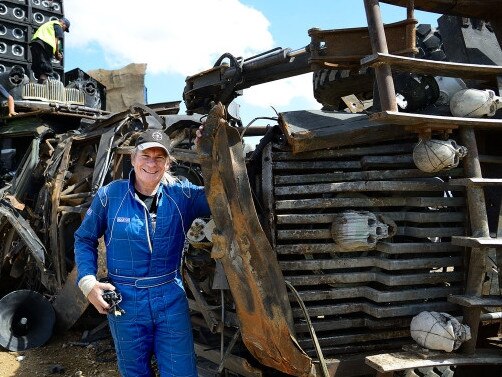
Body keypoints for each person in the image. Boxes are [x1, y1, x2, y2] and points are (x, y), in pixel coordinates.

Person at [74, 128, 211, 376]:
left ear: (168, 162)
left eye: (160, 157)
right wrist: (87, 282)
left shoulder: (183, 194)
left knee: (182, 371)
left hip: (170, 296)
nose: (151, 163)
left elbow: (221, 197)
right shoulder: (110, 196)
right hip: (125, 301)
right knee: (134, 372)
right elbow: (84, 238)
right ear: (133, 158)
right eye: (146, 155)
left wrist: (210, 153)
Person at [30, 17, 70, 84]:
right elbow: (56, 40)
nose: (63, 31)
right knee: (46, 68)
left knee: (38, 69)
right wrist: (57, 54)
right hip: (44, 46)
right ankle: (42, 87)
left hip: (35, 45)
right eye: (65, 29)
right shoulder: (57, 25)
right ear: (63, 24)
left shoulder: (49, 24)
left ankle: (38, 86)